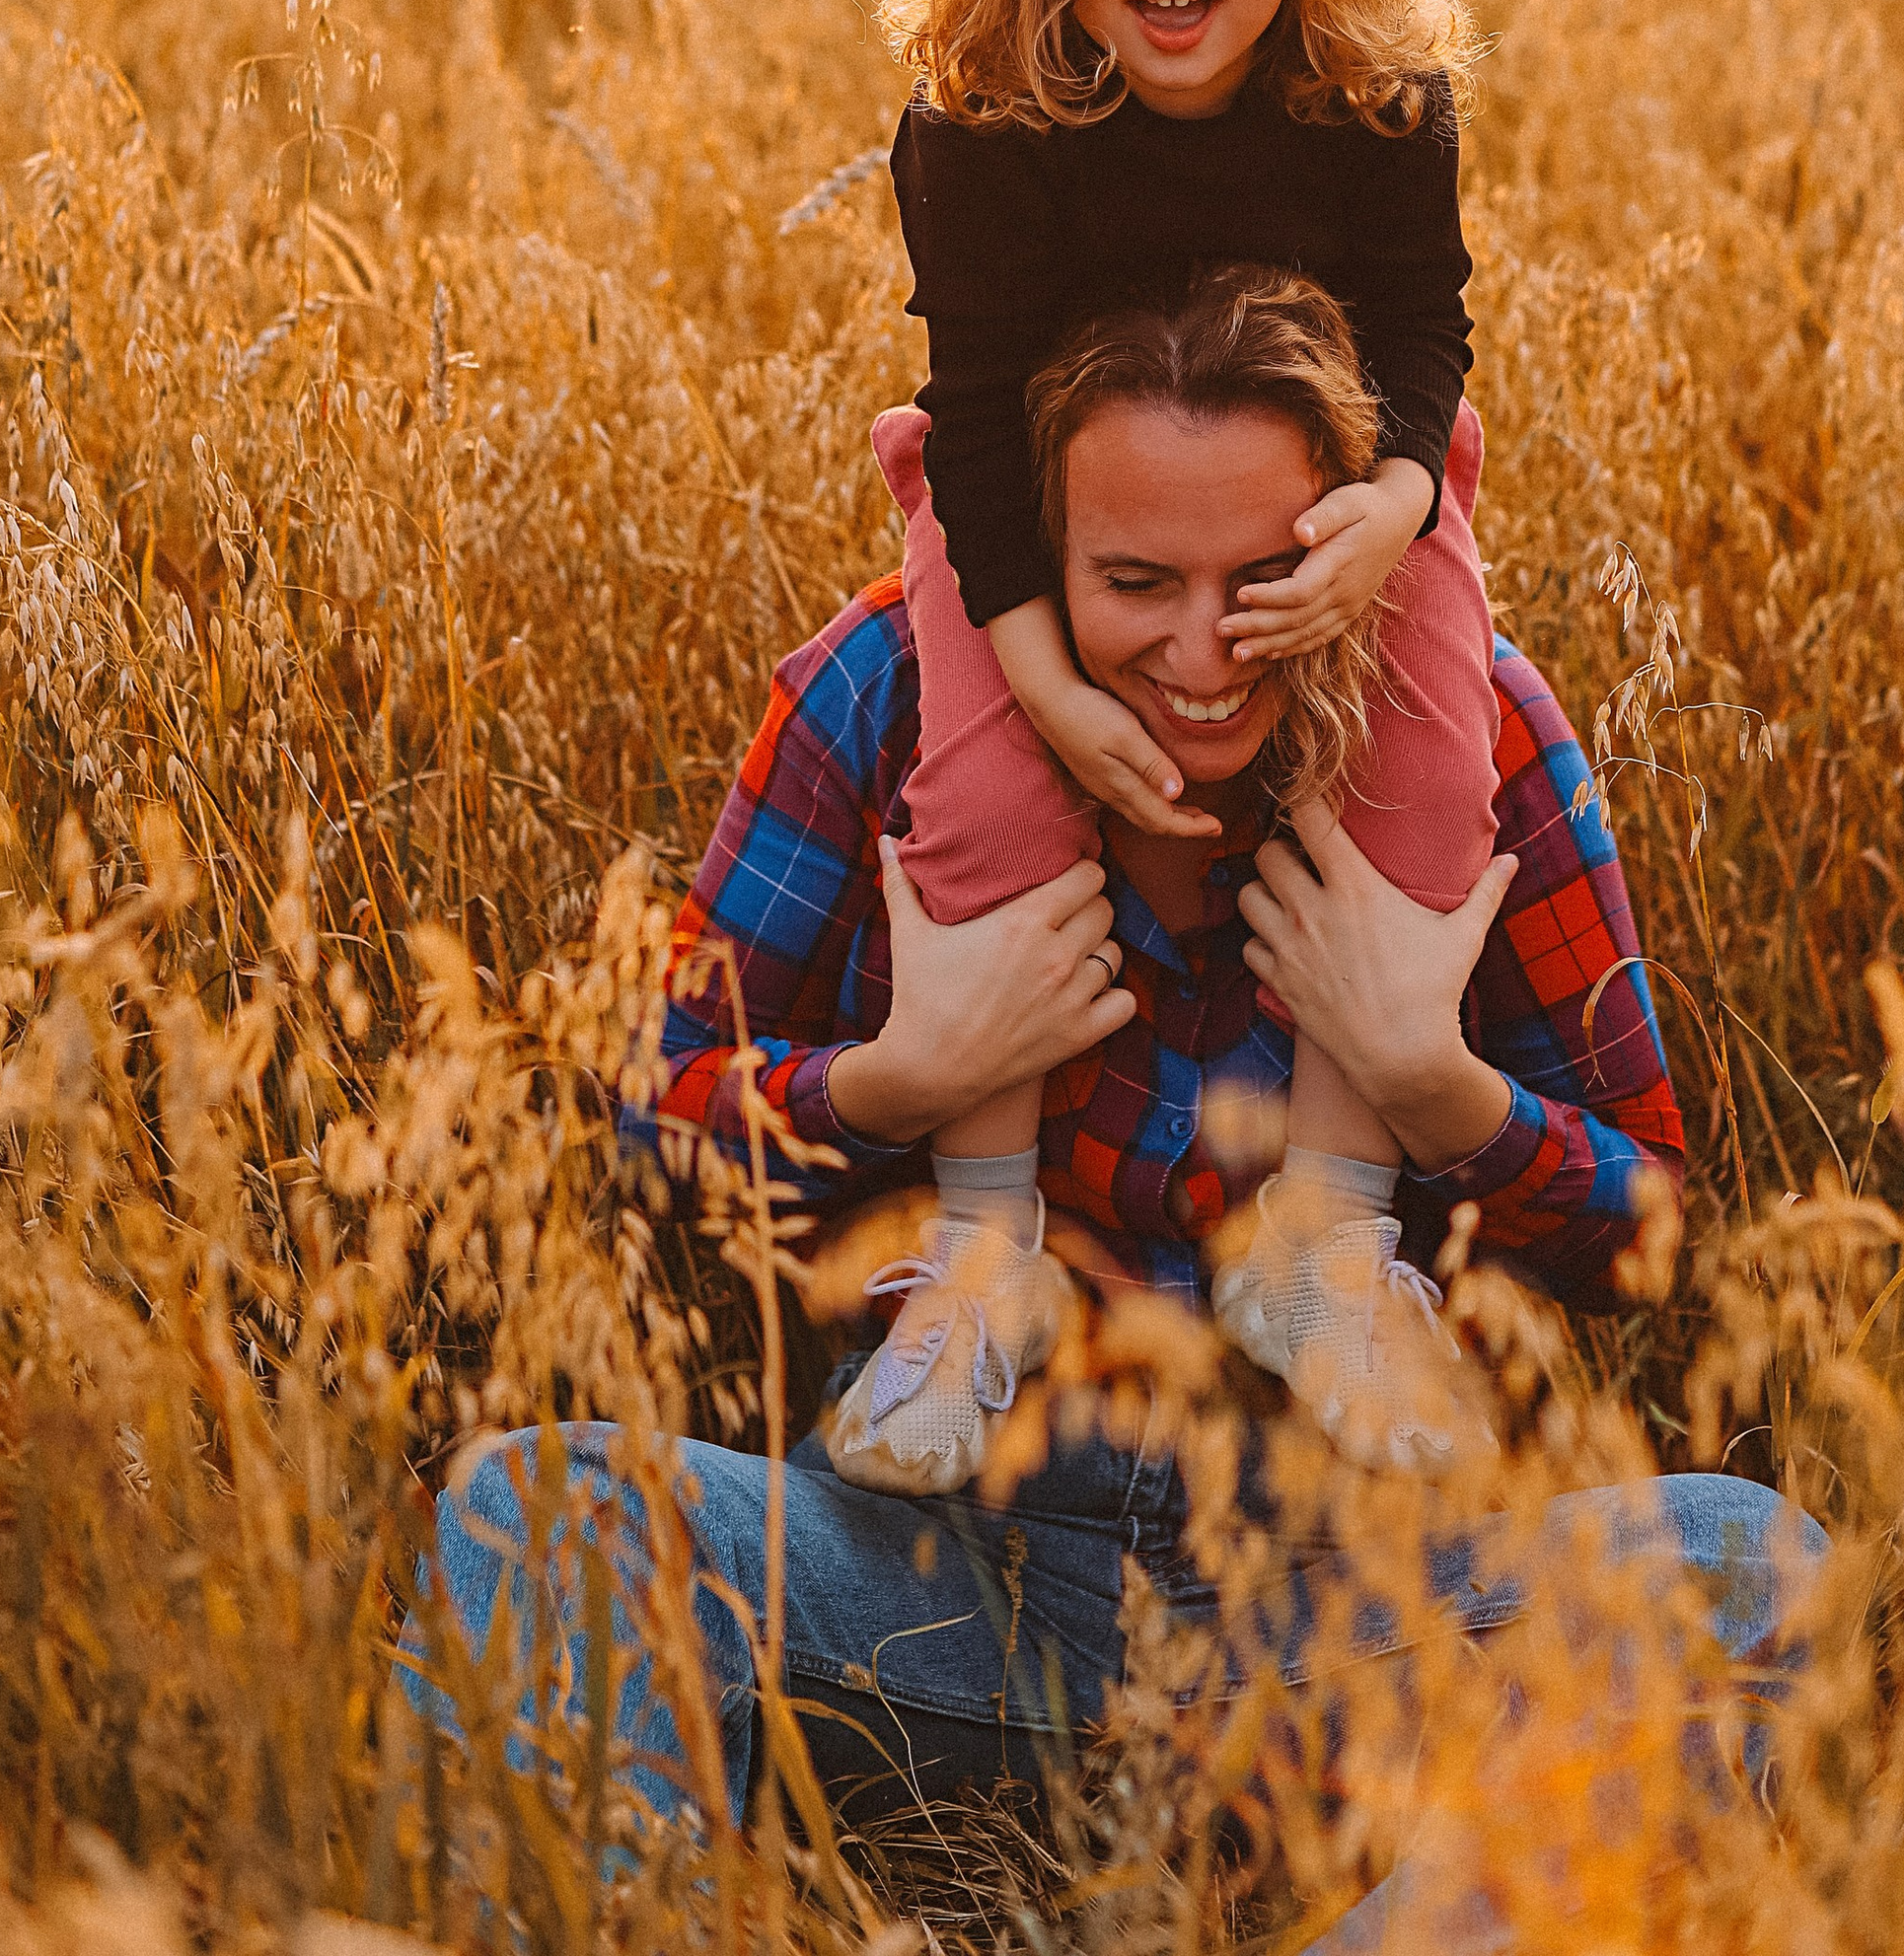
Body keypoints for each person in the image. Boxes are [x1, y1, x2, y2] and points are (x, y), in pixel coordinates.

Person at [411, 267, 1816, 1847]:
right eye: (1137, 582)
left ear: (1355, 543)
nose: (1207, 650)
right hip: (932, 1590)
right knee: (537, 1513)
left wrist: (1440, 1090)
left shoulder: (1469, 731)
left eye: (1267, 578)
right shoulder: (880, 696)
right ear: (1030, 556)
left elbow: (1653, 1236)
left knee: (1745, 1564)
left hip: (1351, 1618)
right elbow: (644, 1134)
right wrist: (900, 1082)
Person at [842, 0, 1505, 1489]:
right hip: (1040, 520)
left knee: (1436, 778)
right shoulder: (983, 118)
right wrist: (1043, 670)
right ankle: (981, 1246)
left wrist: (1391, 509)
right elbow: (973, 410)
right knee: (976, 793)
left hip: (1356, 487)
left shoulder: (1377, 91)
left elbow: (1424, 327)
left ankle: (1330, 1236)